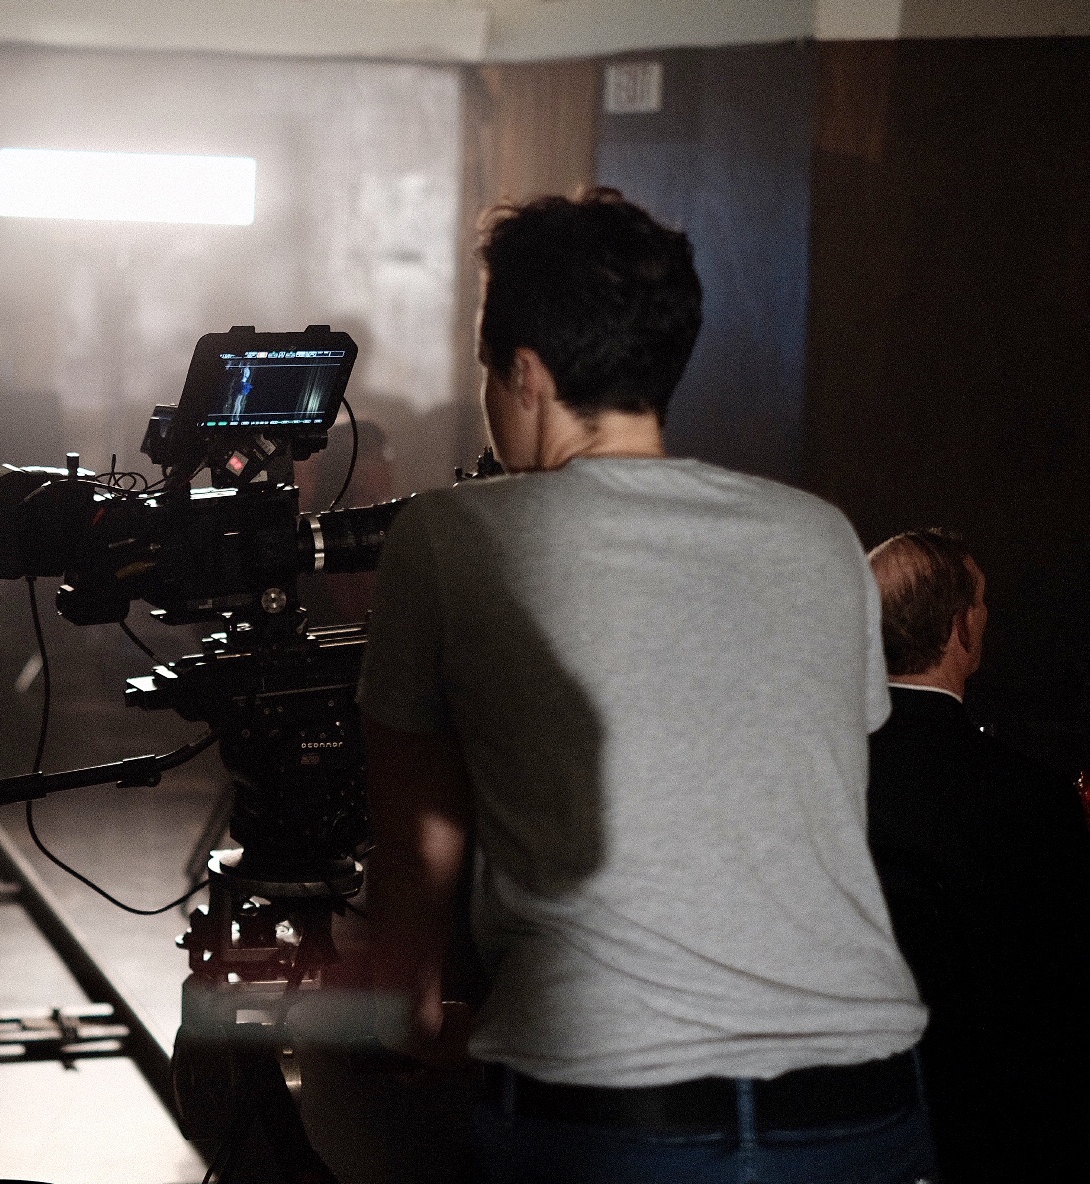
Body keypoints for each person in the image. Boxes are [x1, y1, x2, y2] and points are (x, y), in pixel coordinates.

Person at [357, 189, 934, 1183]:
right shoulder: (820, 535)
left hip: (615, 1117)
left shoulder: (451, 536)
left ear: (526, 374)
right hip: (865, 1101)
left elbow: (419, 848)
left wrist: (402, 1019)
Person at [865, 528, 1090, 1181]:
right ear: (963, 627)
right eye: (982, 603)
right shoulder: (1030, 797)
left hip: (850, 1110)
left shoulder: (819, 776)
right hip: (992, 1127)